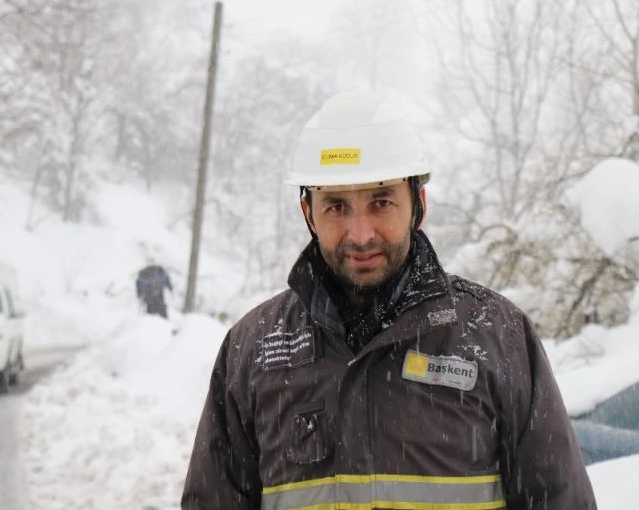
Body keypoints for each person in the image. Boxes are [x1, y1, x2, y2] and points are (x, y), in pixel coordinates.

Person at [181, 90, 596, 509]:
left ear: (418, 204)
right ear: (309, 212)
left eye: (381, 202)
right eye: (337, 206)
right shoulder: (254, 349)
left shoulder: (498, 337)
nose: (361, 234)